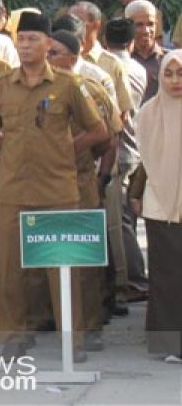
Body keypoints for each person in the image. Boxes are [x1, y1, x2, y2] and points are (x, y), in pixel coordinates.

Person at [0, 11, 104, 361]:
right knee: (11, 269)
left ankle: (72, 341)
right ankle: (13, 337)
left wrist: (65, 149)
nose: (26, 45)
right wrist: (10, 146)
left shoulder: (66, 84)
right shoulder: (2, 84)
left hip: (58, 189)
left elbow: (98, 130)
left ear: (49, 43)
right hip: (13, 189)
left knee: (62, 268)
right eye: (22, 39)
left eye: (34, 39)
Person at [46, 28, 119, 351]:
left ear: (72, 58)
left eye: (54, 53)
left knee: (84, 260)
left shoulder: (90, 88)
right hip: (45, 184)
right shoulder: (37, 91)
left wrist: (103, 177)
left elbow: (109, 138)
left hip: (81, 181)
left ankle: (89, 325)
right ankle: (58, 322)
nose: (47, 59)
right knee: (48, 255)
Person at [127, 49, 182, 362]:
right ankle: (169, 343)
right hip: (161, 202)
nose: (175, 81)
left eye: (181, 74)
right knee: (167, 275)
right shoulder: (149, 112)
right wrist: (136, 193)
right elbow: (145, 161)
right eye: (169, 74)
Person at [104, 18, 149, 308]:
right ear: (131, 42)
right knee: (125, 217)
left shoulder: (112, 68)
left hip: (119, 149)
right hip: (132, 148)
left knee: (121, 220)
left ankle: (134, 279)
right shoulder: (138, 67)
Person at [127, 0, 165, 100]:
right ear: (128, 26)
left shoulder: (169, 60)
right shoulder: (119, 61)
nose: (146, 31)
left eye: (150, 24)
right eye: (139, 25)